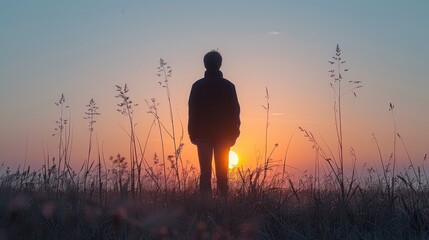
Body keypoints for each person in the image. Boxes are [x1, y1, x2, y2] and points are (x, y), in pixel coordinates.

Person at [188, 50, 240, 198]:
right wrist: (235, 133)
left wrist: (192, 133)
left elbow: (192, 111)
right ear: (220, 64)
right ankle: (223, 207)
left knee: (205, 173)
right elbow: (235, 112)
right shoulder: (229, 86)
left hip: (202, 136)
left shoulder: (197, 85)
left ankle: (206, 208)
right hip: (224, 136)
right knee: (222, 175)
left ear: (205, 64)